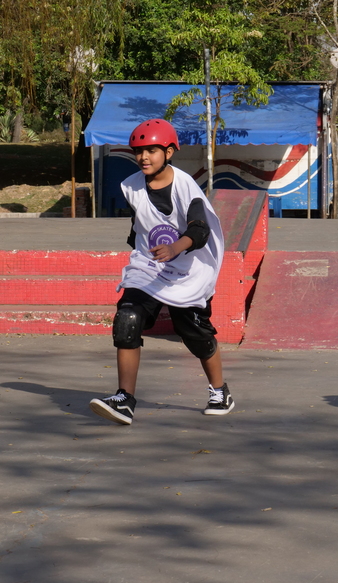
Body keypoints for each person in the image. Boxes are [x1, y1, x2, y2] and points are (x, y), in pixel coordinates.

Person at [89, 118, 234, 425]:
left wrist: (175, 248)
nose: (143, 157)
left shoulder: (186, 187)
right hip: (149, 266)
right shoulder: (131, 186)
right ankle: (124, 400)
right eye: (138, 151)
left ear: (169, 152)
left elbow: (200, 229)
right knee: (127, 319)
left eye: (152, 150)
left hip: (189, 270)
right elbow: (141, 224)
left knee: (194, 334)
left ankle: (220, 391)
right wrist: (145, 250)